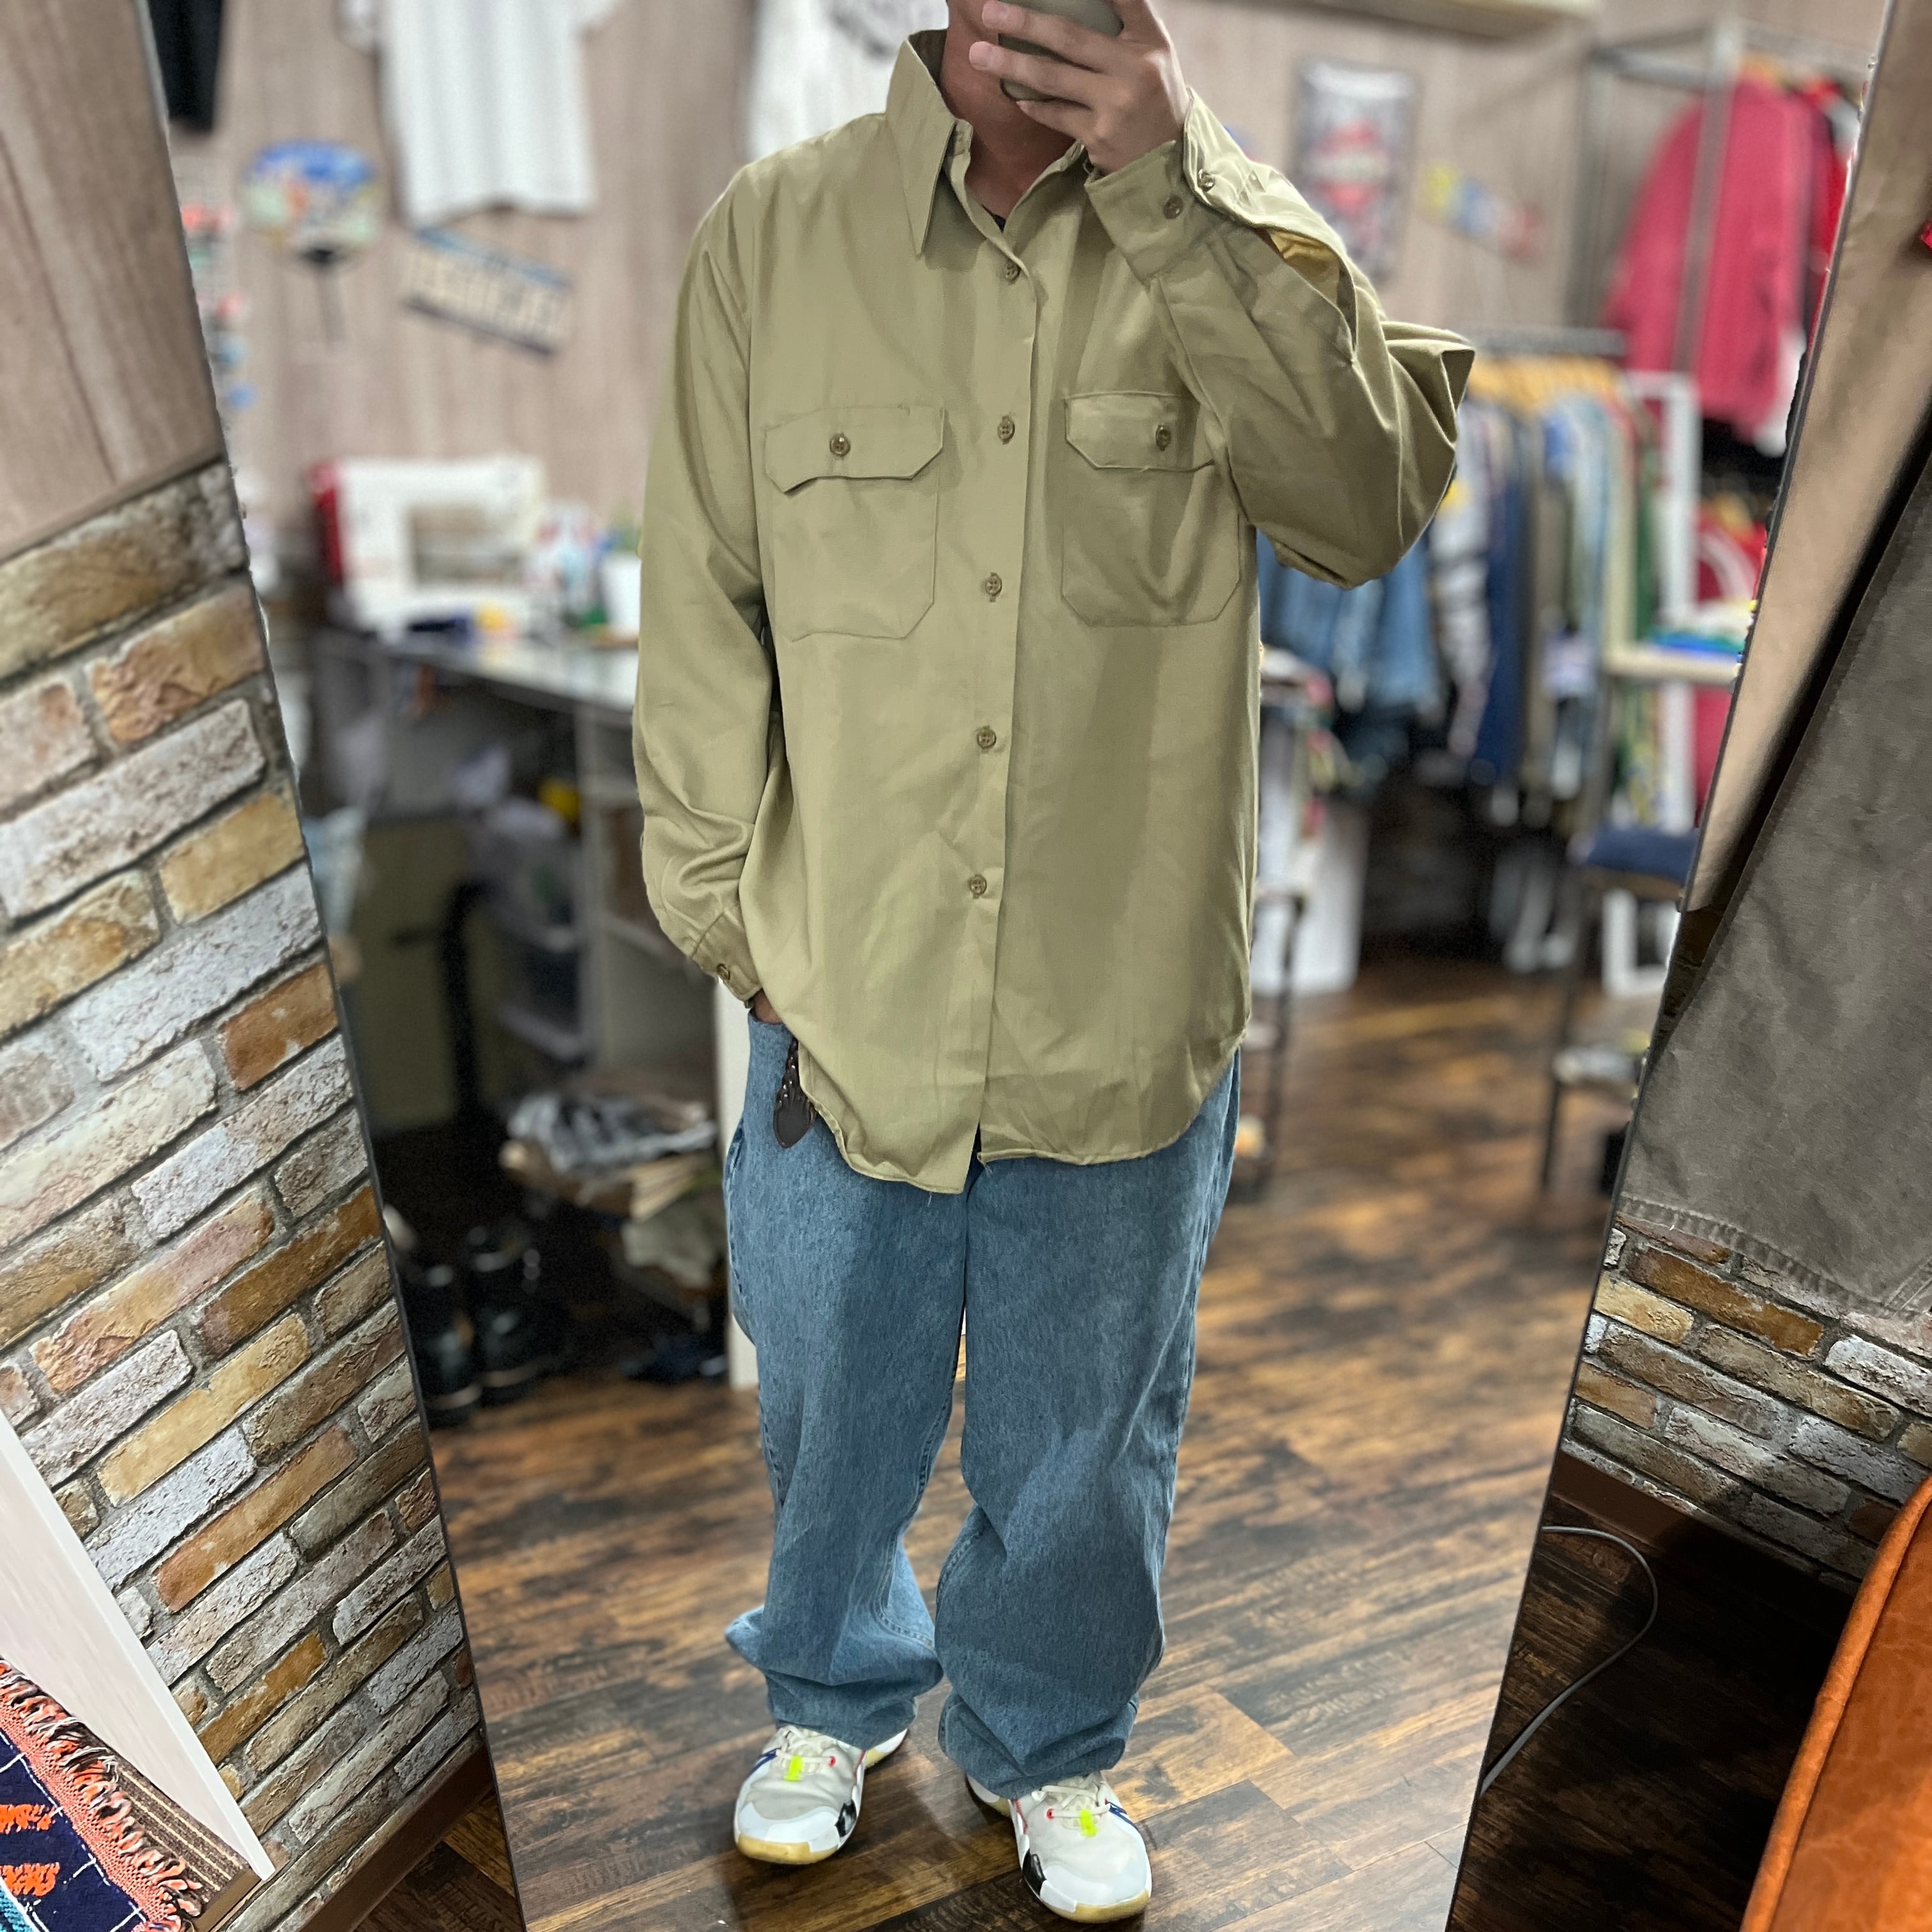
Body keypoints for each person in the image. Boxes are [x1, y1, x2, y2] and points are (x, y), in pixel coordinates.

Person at [632, 1, 1470, 1917]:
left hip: (1121, 993)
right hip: (844, 987)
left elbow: (1362, 513)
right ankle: (829, 1695)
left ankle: (1053, 1742)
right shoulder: (776, 233)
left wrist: (1178, 182)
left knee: (1088, 1439)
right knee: (828, 1401)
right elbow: (702, 592)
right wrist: (724, 910)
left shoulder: (1247, 237)